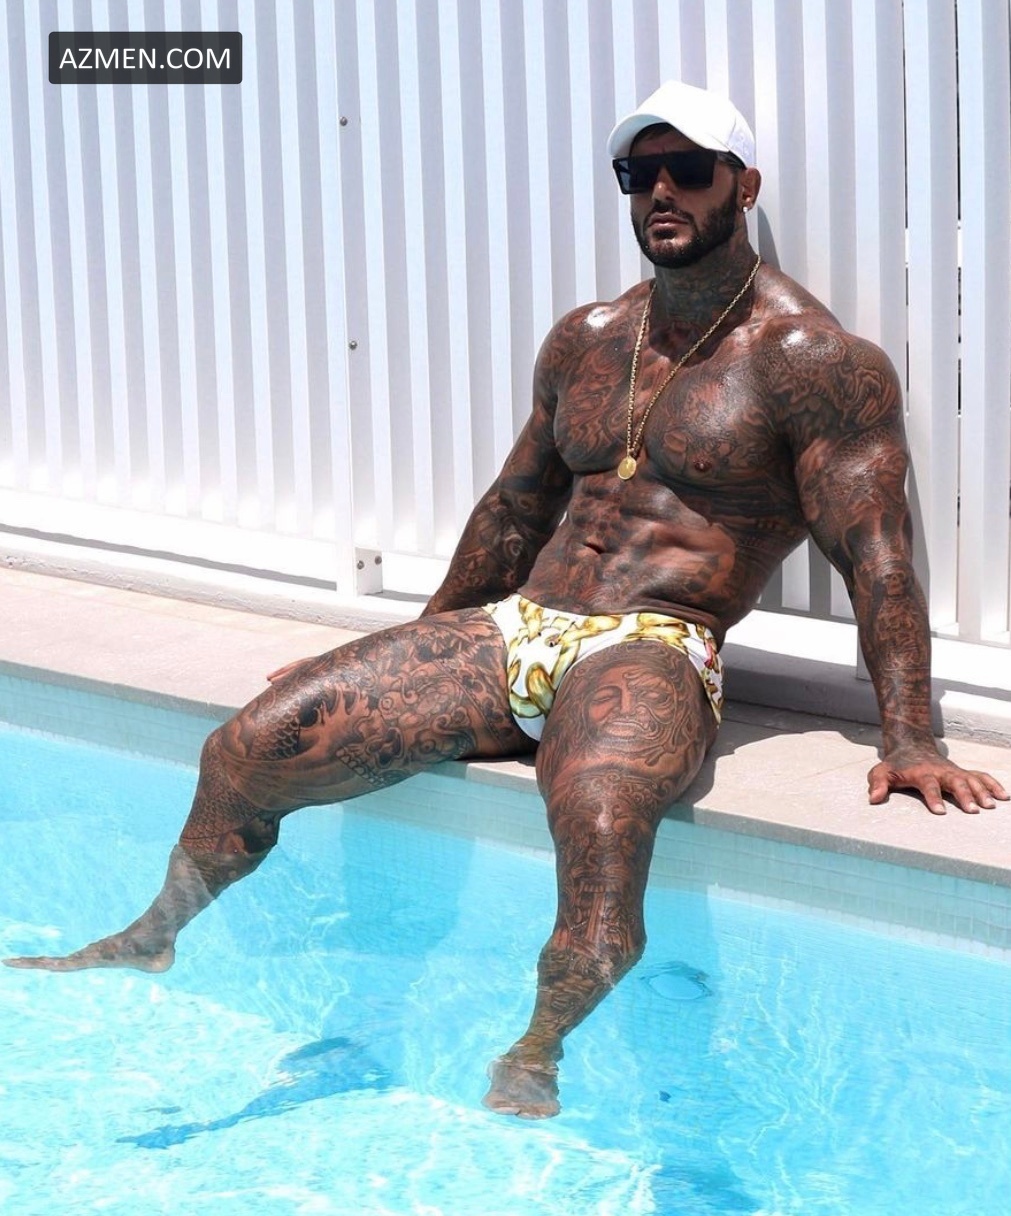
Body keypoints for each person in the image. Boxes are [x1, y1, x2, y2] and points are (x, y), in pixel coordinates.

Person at [5, 80, 1007, 1119]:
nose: (660, 192)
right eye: (638, 173)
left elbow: (877, 554)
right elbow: (515, 509)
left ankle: (538, 1049)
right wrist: (409, 648)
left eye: (688, 170)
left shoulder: (813, 361)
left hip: (653, 643)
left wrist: (910, 736)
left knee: (601, 828)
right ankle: (154, 934)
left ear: (743, 187)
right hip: (516, 625)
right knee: (251, 744)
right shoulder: (590, 337)